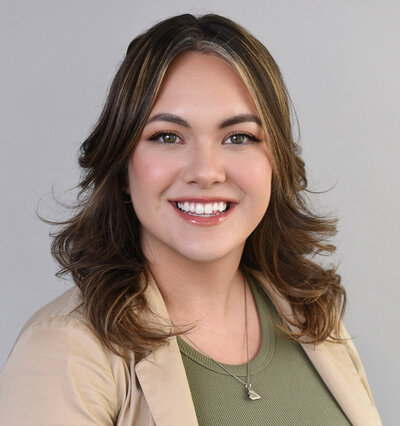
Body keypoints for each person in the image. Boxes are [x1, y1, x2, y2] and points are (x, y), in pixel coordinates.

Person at [0, 13, 381, 426]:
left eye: (239, 137)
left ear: (275, 164)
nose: (206, 171)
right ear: (123, 166)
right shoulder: (63, 351)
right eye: (167, 137)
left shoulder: (312, 314)